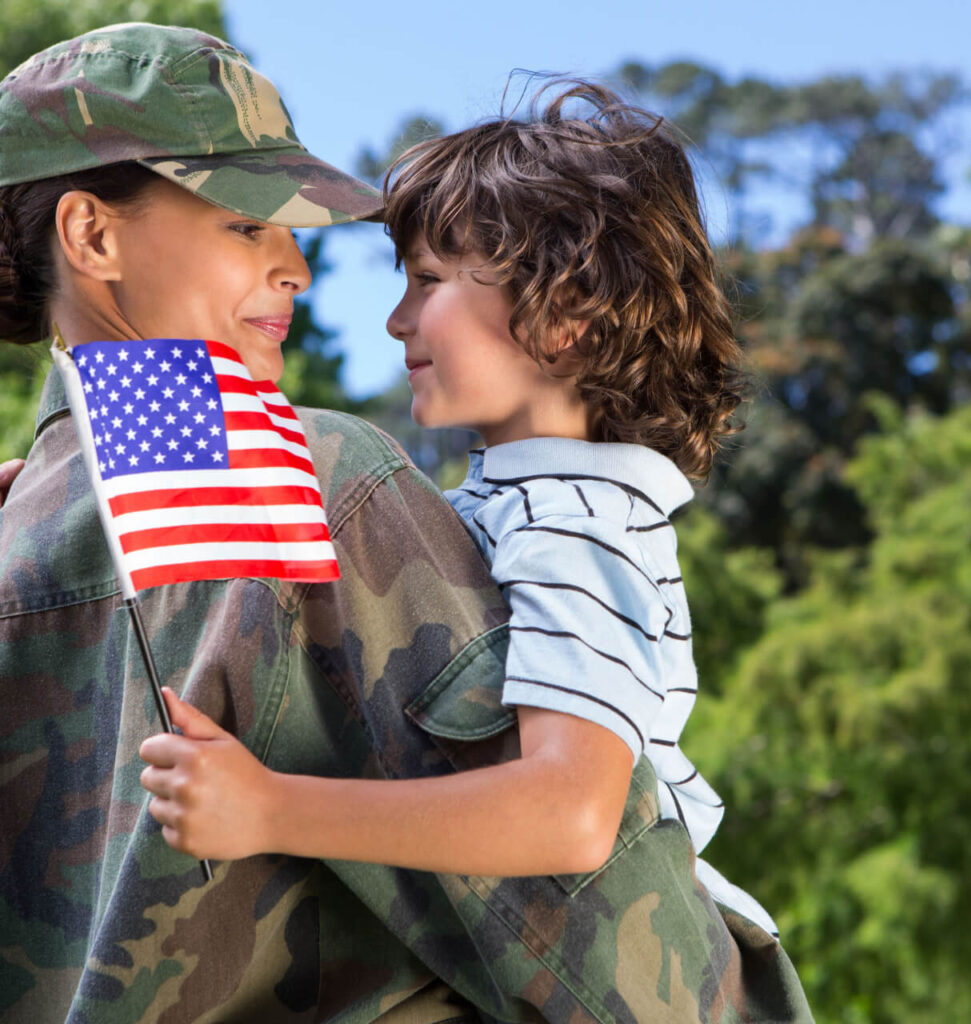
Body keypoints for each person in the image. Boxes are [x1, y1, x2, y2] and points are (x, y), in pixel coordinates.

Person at [136, 81, 815, 1022]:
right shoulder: (522, 503)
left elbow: (573, 813)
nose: (396, 321)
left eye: (428, 281)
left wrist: (272, 807)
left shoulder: (579, 521)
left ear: (565, 311)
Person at [0, 22, 501, 1024]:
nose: (296, 267)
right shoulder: (319, 477)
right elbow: (578, 918)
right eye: (244, 224)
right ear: (92, 235)